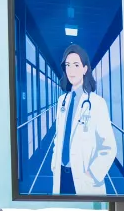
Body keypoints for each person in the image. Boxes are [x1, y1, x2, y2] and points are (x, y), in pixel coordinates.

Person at [50, 44, 118, 195]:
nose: (71, 70)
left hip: (84, 179)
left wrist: (92, 173)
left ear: (85, 68)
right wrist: (54, 165)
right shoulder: (62, 101)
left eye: (76, 65)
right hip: (61, 175)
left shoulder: (97, 103)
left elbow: (109, 146)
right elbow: (58, 137)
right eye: (67, 65)